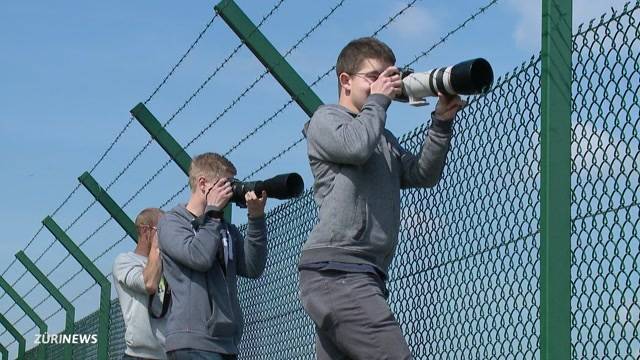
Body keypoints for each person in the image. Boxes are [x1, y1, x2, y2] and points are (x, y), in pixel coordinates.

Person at [298, 37, 465, 359]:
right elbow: (355, 148)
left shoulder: (381, 137)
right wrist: (378, 102)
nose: (384, 85)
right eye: (373, 76)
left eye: (390, 77)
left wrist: (441, 123)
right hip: (338, 270)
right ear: (345, 80)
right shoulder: (326, 120)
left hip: (363, 271)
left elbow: (422, 175)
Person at [158, 152, 268, 360]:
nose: (230, 191)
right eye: (225, 184)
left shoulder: (223, 228)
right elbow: (198, 257)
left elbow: (253, 268)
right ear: (203, 184)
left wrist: (256, 218)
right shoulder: (172, 223)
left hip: (227, 343)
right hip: (191, 341)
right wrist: (214, 212)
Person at [113, 207, 167, 360]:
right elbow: (148, 284)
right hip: (139, 355)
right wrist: (156, 247)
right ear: (145, 231)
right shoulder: (125, 262)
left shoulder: (170, 264)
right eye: (162, 230)